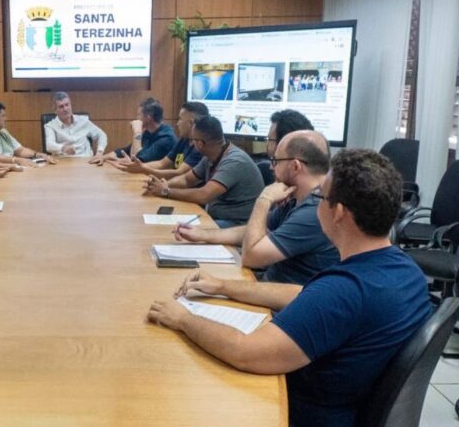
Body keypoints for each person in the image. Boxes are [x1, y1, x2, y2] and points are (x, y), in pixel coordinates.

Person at [147, 148, 432, 427]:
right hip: (347, 406)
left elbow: (245, 352)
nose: (315, 203)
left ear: (338, 213)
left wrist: (183, 319)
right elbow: (304, 295)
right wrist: (223, 286)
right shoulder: (407, 271)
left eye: (321, 197)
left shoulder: (343, 292)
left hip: (297, 414)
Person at [174, 130, 339, 284]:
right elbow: (258, 231)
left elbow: (251, 257)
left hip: (280, 300)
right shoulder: (295, 198)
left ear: (295, 166)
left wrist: (264, 200)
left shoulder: (314, 211)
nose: (271, 167)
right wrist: (203, 235)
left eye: (275, 161)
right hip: (266, 286)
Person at [144, 116, 263, 227]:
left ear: (200, 144)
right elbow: (186, 180)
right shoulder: (211, 156)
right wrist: (163, 185)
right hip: (216, 217)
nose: (191, 143)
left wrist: (166, 191)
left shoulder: (234, 161)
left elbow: (203, 195)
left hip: (237, 224)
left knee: (181, 232)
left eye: (193, 140)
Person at [113, 101, 206, 179]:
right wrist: (136, 166)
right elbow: (162, 163)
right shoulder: (184, 140)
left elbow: (179, 173)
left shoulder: (199, 147)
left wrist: (143, 169)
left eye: (180, 119)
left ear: (191, 122)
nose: (177, 123)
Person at [0, 100, 57, 167]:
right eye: (3, 116)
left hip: (10, 169)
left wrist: (37, 154)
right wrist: (17, 160)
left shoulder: (2, 131)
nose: (6, 119)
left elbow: (20, 150)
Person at [90, 98, 177, 165]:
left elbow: (137, 159)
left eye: (139, 115)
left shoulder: (166, 138)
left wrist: (137, 132)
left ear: (148, 117)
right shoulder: (149, 132)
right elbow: (126, 150)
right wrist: (104, 157)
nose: (136, 118)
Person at [43, 91, 108, 159]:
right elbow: (49, 145)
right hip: (64, 161)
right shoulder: (50, 126)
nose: (65, 109)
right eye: (61, 107)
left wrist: (99, 153)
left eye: (67, 105)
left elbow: (101, 135)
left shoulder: (83, 120)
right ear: (55, 111)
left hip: (86, 160)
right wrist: (63, 148)